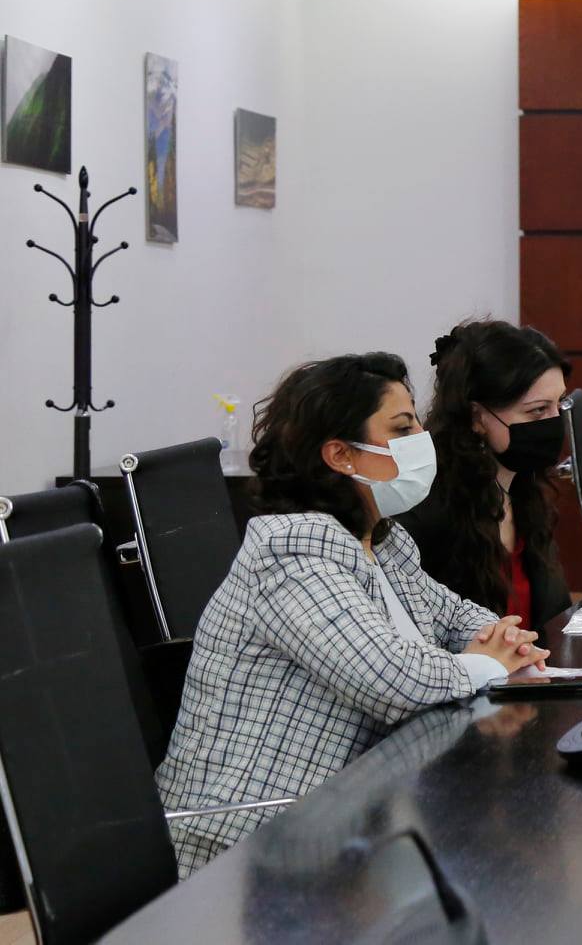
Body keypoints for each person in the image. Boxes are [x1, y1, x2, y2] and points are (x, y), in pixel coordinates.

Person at [154, 353, 548, 876]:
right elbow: (394, 681)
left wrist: (500, 642)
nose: (422, 441)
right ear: (340, 455)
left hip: (345, 823)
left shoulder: (381, 542)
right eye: (402, 429)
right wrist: (489, 663)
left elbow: (458, 617)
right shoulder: (291, 556)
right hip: (251, 843)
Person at [404, 321, 575, 629]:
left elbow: (554, 616)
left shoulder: (525, 488)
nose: (554, 421)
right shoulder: (428, 508)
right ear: (477, 417)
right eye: (537, 410)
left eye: (559, 404)